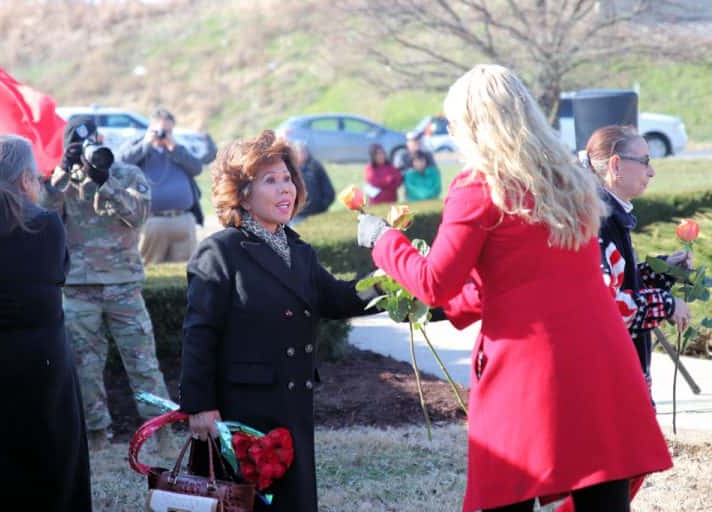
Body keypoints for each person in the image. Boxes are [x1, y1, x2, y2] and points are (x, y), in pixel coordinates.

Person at [356, 64, 672, 512]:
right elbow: (527, 279)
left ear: (473, 124)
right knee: (603, 488)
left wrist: (383, 240)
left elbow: (433, 283)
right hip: (603, 358)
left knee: (508, 489)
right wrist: (468, 305)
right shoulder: (570, 179)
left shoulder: (480, 186)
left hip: (531, 369)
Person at [180, 129, 379, 512]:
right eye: (270, 180)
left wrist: (386, 283)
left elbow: (335, 298)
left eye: (287, 178)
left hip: (292, 405)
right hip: (243, 412)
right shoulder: (220, 252)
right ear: (241, 193)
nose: (284, 188)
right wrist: (199, 405)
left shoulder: (298, 249)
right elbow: (199, 334)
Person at [0, 135, 92, 510]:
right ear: (27, 179)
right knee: (45, 479)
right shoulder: (45, 226)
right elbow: (57, 275)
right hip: (38, 376)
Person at [39, 116, 173, 452]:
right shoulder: (61, 181)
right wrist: (61, 174)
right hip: (78, 288)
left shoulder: (126, 174)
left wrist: (104, 181)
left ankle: (163, 434)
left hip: (123, 285)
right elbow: (42, 216)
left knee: (143, 364)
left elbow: (137, 216)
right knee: (84, 367)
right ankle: (96, 436)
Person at [583, 125, 691, 397]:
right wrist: (666, 304)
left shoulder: (609, 215)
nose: (651, 172)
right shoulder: (600, 223)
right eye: (645, 162)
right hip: (609, 378)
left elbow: (620, 282)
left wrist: (662, 271)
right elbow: (608, 307)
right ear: (616, 165)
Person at [119, 108, 216, 265]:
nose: (163, 134)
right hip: (151, 222)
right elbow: (121, 163)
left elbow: (197, 168)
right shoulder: (138, 147)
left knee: (186, 270)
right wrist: (146, 145)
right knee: (149, 267)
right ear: (150, 128)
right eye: (160, 130)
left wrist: (175, 149)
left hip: (183, 220)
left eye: (168, 130)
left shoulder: (178, 149)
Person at [289, 140, 335, 224]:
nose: (302, 154)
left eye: (304, 151)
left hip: (318, 213)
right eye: (299, 152)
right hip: (298, 215)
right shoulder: (290, 169)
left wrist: (322, 206)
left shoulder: (315, 166)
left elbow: (329, 190)